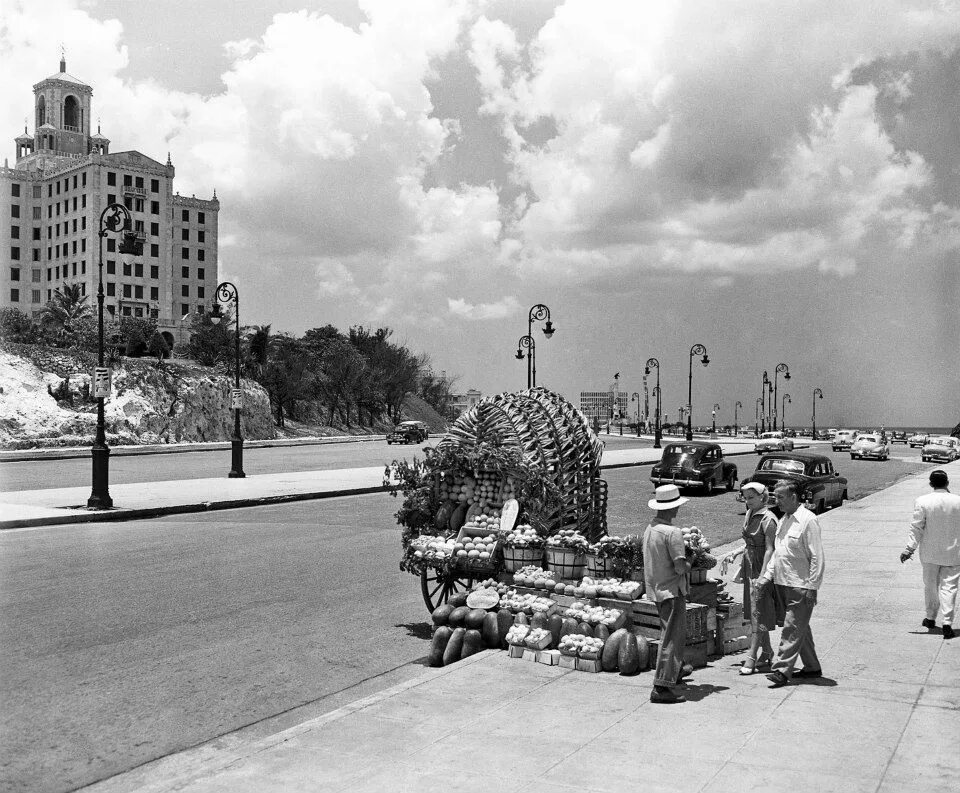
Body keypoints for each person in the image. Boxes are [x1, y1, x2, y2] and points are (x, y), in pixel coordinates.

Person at [755, 479, 825, 687]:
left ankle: (782, 670)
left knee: (791, 627)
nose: (777, 501)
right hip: (782, 583)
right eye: (775, 497)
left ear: (794, 497)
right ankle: (812, 667)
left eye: (781, 497)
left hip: (801, 585)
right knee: (799, 627)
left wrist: (812, 587)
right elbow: (779, 554)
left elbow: (817, 557)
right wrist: (766, 577)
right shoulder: (784, 519)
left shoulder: (808, 520)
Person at [643, 484, 694, 703]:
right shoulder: (673, 533)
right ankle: (661, 686)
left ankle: (677, 670)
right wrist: (692, 559)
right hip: (672, 592)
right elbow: (681, 568)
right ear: (673, 508)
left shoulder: (651, 528)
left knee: (668, 632)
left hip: (656, 588)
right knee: (671, 638)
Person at [722, 482, 779, 674]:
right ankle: (768, 652)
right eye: (745, 498)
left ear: (763, 497)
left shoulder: (768, 519)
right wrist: (735, 553)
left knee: (757, 613)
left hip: (761, 568)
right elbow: (748, 543)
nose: (748, 502)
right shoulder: (750, 514)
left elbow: (770, 550)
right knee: (756, 612)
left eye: (751, 497)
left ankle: (752, 657)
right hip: (750, 566)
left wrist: (763, 577)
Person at [900, 469, 960, 640]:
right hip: (954, 554)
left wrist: (909, 549)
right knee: (950, 588)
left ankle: (931, 618)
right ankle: (947, 622)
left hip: (930, 554)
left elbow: (917, 527)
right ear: (947, 483)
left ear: (931, 484)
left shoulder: (923, 501)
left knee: (930, 586)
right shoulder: (958, 501)